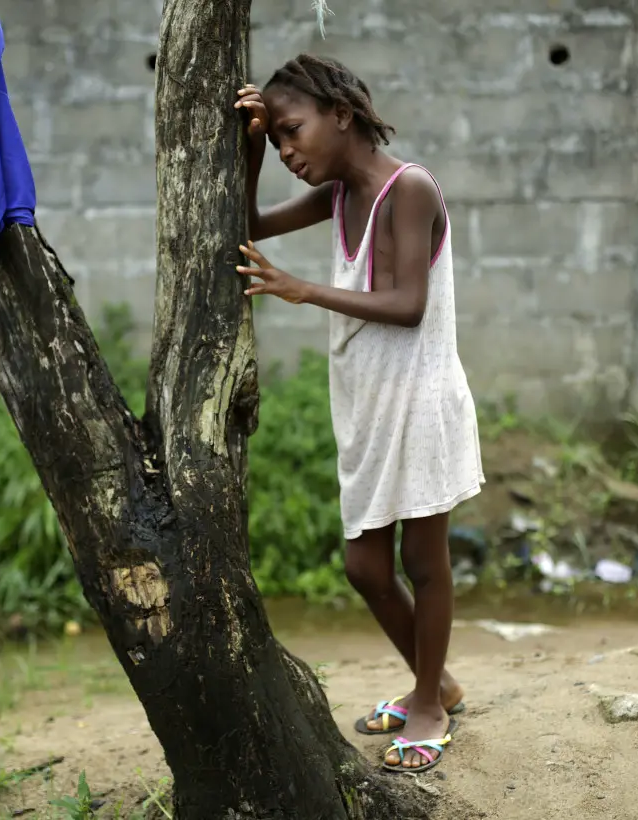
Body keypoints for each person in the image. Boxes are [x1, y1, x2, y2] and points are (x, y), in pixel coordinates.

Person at [234, 53, 485, 773]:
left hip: (421, 401)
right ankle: (437, 682)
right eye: (276, 140)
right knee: (364, 566)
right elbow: (249, 223)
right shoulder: (338, 193)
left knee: (421, 561)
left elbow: (409, 306)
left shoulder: (408, 190)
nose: (287, 151)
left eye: (290, 132)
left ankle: (430, 704)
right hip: (369, 406)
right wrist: (248, 151)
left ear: (341, 113)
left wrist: (304, 290)